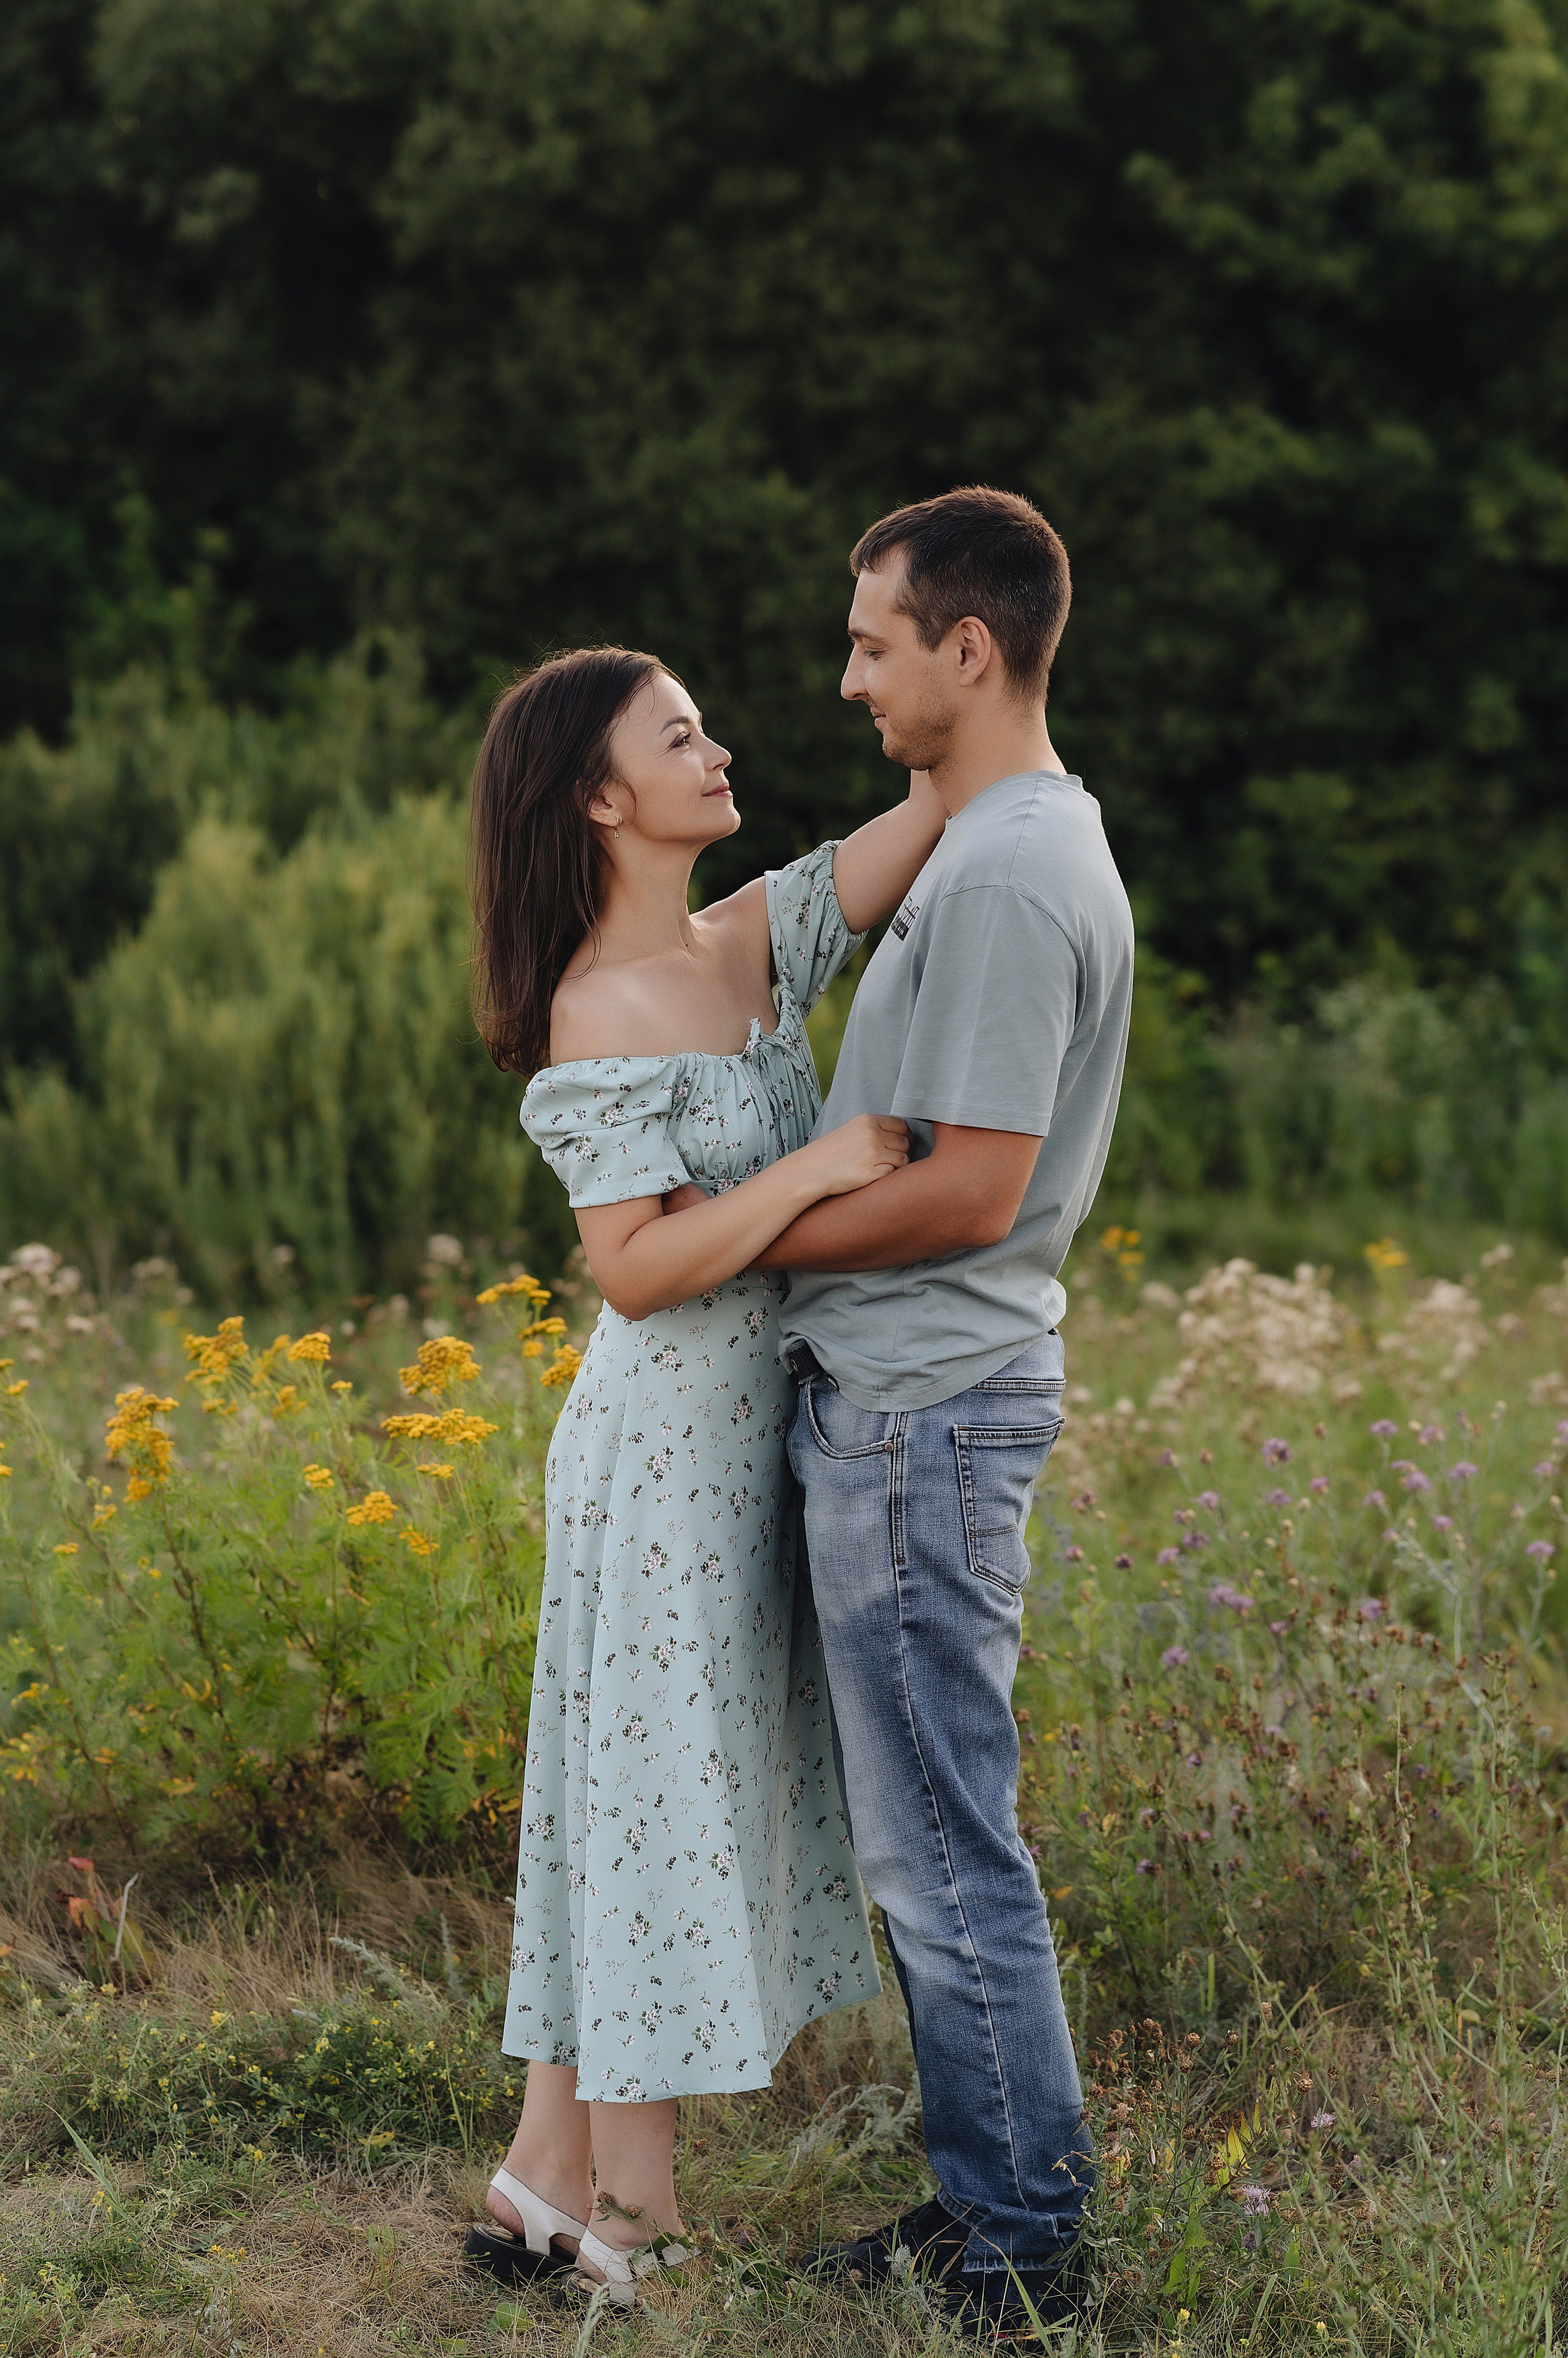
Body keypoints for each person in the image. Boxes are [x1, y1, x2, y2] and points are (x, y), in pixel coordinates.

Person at [461, 644, 947, 2308]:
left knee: (635, 1797)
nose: (719, 749)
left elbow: (930, 814)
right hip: (662, 1452)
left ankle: (544, 2168)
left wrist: (980, 689)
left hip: (751, 1441)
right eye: (679, 737)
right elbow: (637, 1271)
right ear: (602, 799)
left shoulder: (749, 938)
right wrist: (816, 1169)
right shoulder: (596, 1008)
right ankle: (635, 2216)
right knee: (655, 1804)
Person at [762, 486, 1135, 2339]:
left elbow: (976, 1188)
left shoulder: (1001, 874)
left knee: (941, 1845)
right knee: (929, 1836)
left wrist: (746, 1234)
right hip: (916, 1397)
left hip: (926, 1407)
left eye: (873, 644)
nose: (851, 681)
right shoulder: (1001, 839)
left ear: (967, 650)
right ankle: (996, 2197)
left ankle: (1027, 2245)